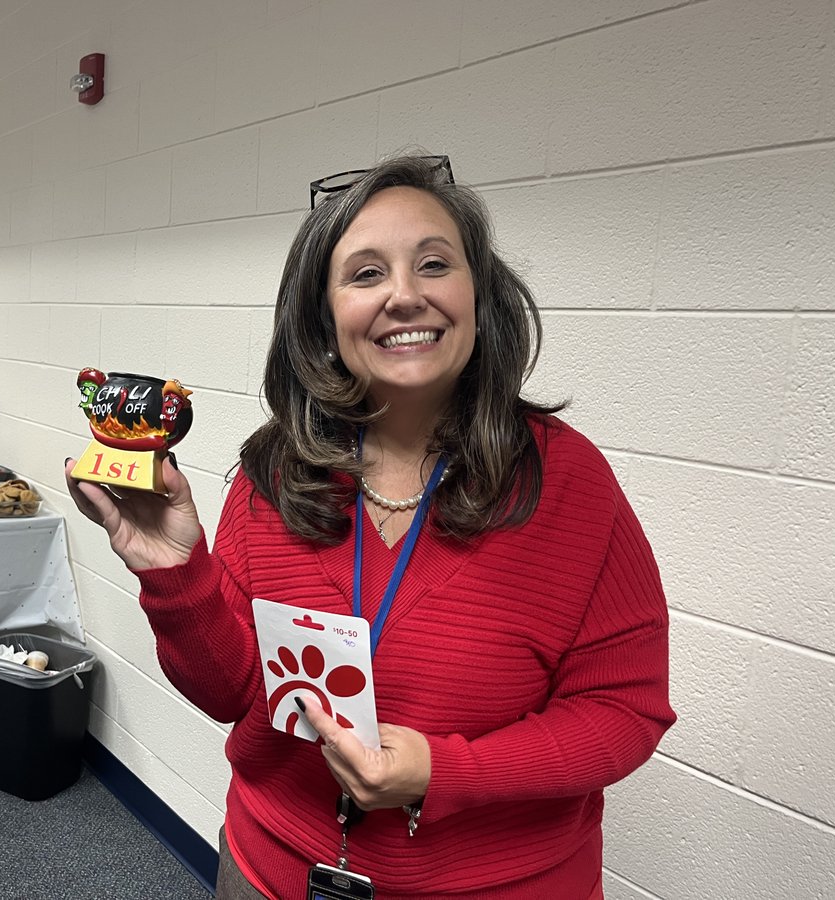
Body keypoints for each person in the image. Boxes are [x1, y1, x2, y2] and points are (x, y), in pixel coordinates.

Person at [65, 154, 675, 899]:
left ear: (479, 296)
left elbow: (624, 712)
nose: (406, 295)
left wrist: (442, 773)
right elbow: (233, 693)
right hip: (272, 871)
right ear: (323, 320)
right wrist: (173, 571)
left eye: (434, 264)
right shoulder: (279, 470)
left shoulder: (568, 483)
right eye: (365, 274)